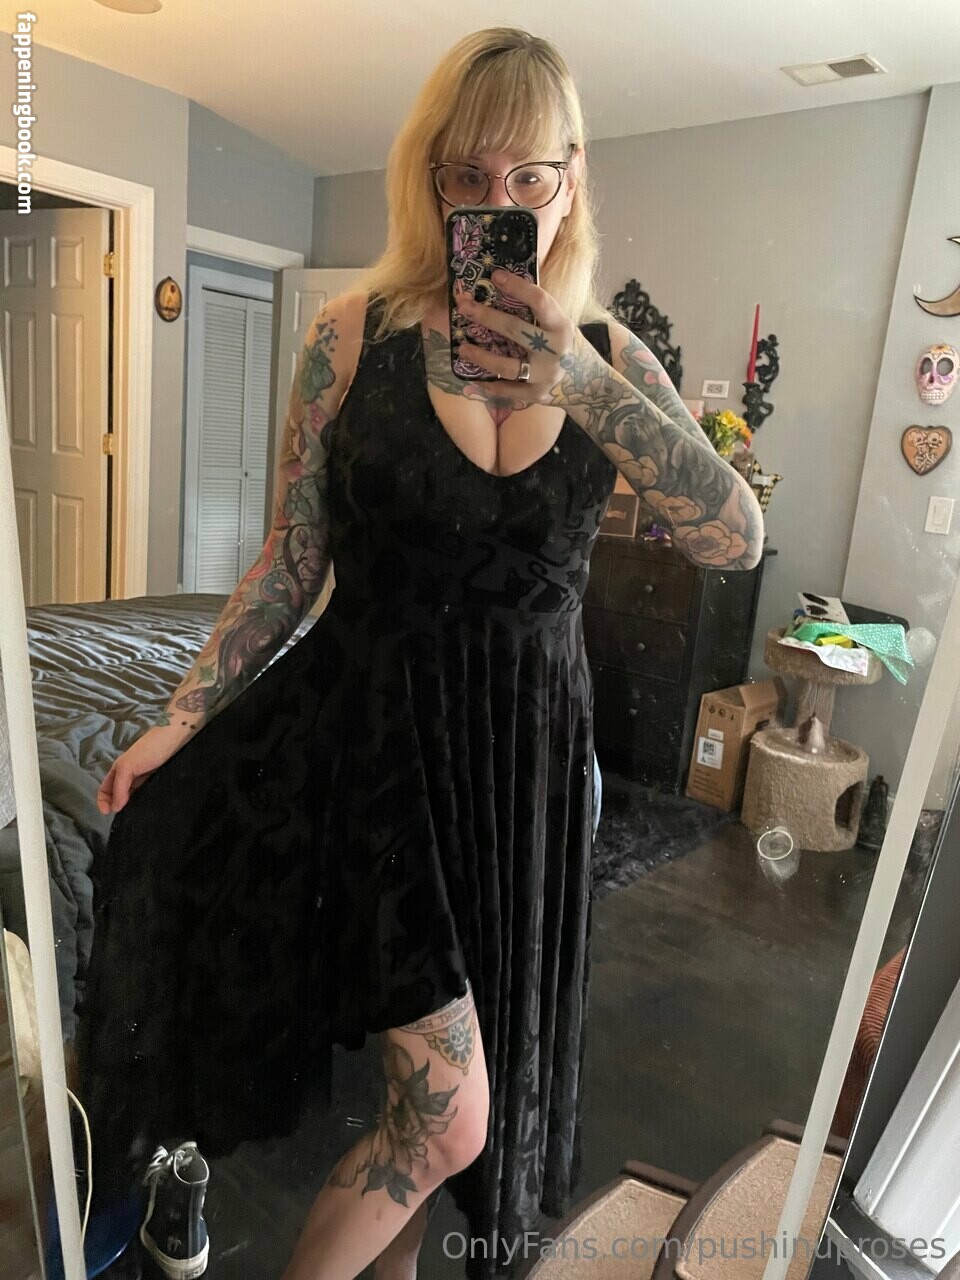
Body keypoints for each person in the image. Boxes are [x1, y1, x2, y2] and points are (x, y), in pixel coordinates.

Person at [80, 26, 764, 1280]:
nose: (498, 201)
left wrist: (580, 379)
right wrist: (178, 719)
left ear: (571, 179)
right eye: (468, 175)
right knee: (448, 1112)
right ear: (429, 179)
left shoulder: (613, 360)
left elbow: (734, 536)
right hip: (375, 747)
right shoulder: (351, 337)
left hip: (525, 765)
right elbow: (292, 556)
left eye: (529, 176)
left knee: (424, 1113)